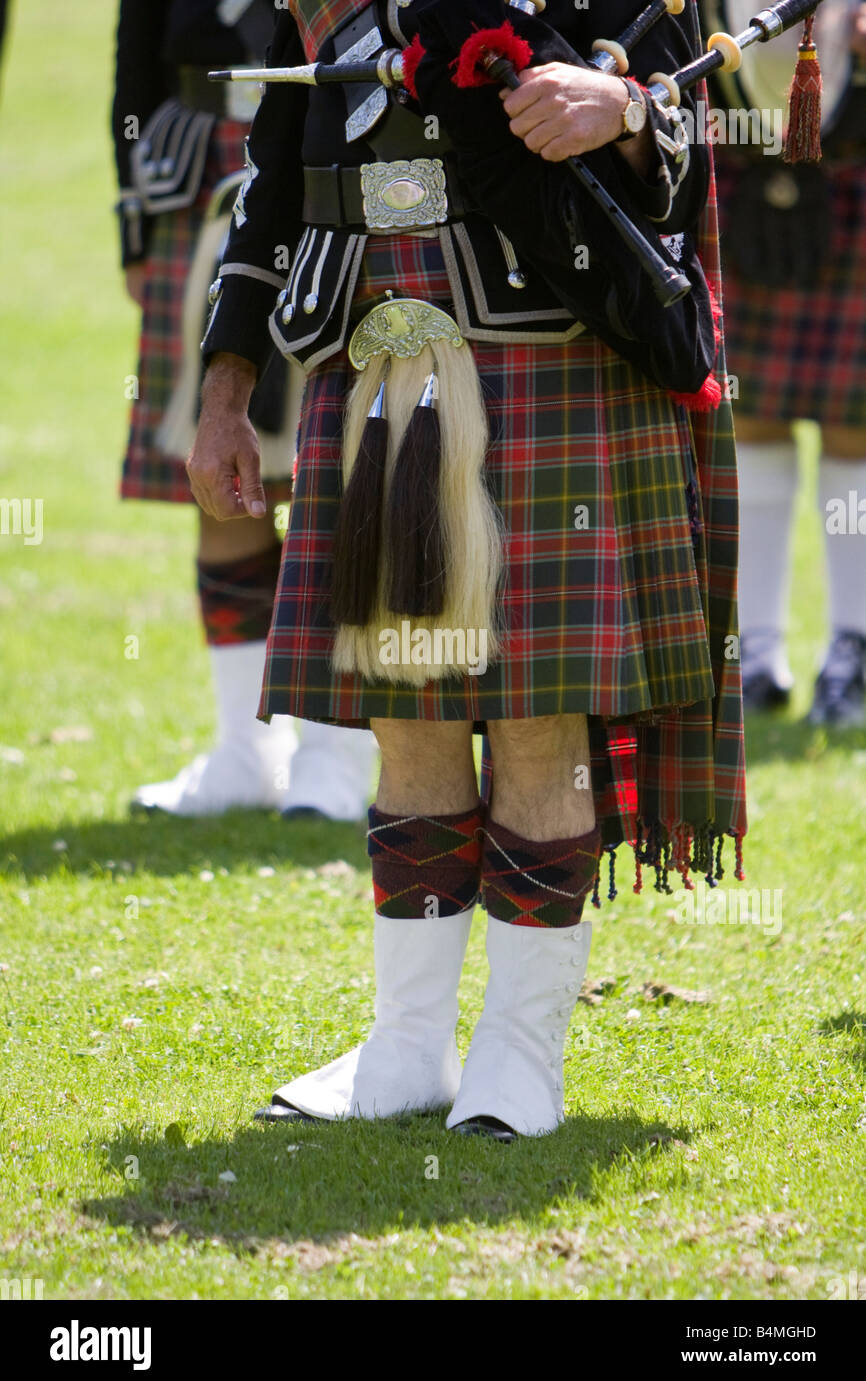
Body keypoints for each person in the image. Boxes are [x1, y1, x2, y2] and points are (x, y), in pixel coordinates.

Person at [189, 0, 747, 1139]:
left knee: (539, 719)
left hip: (557, 358)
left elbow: (688, 130)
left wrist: (624, 112)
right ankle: (405, 1046)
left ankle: (518, 1054)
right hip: (386, 363)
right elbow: (273, 179)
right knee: (413, 713)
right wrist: (224, 390)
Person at [113, 0, 377, 818]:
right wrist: (133, 219)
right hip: (196, 174)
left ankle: (336, 756)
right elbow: (136, 57)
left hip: (339, 169)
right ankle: (245, 751)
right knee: (219, 482)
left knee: (338, 475)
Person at [710, 0, 866, 725]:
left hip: (857, 164)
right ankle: (757, 652)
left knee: (855, 427)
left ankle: (852, 651)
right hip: (740, 166)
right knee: (752, 416)